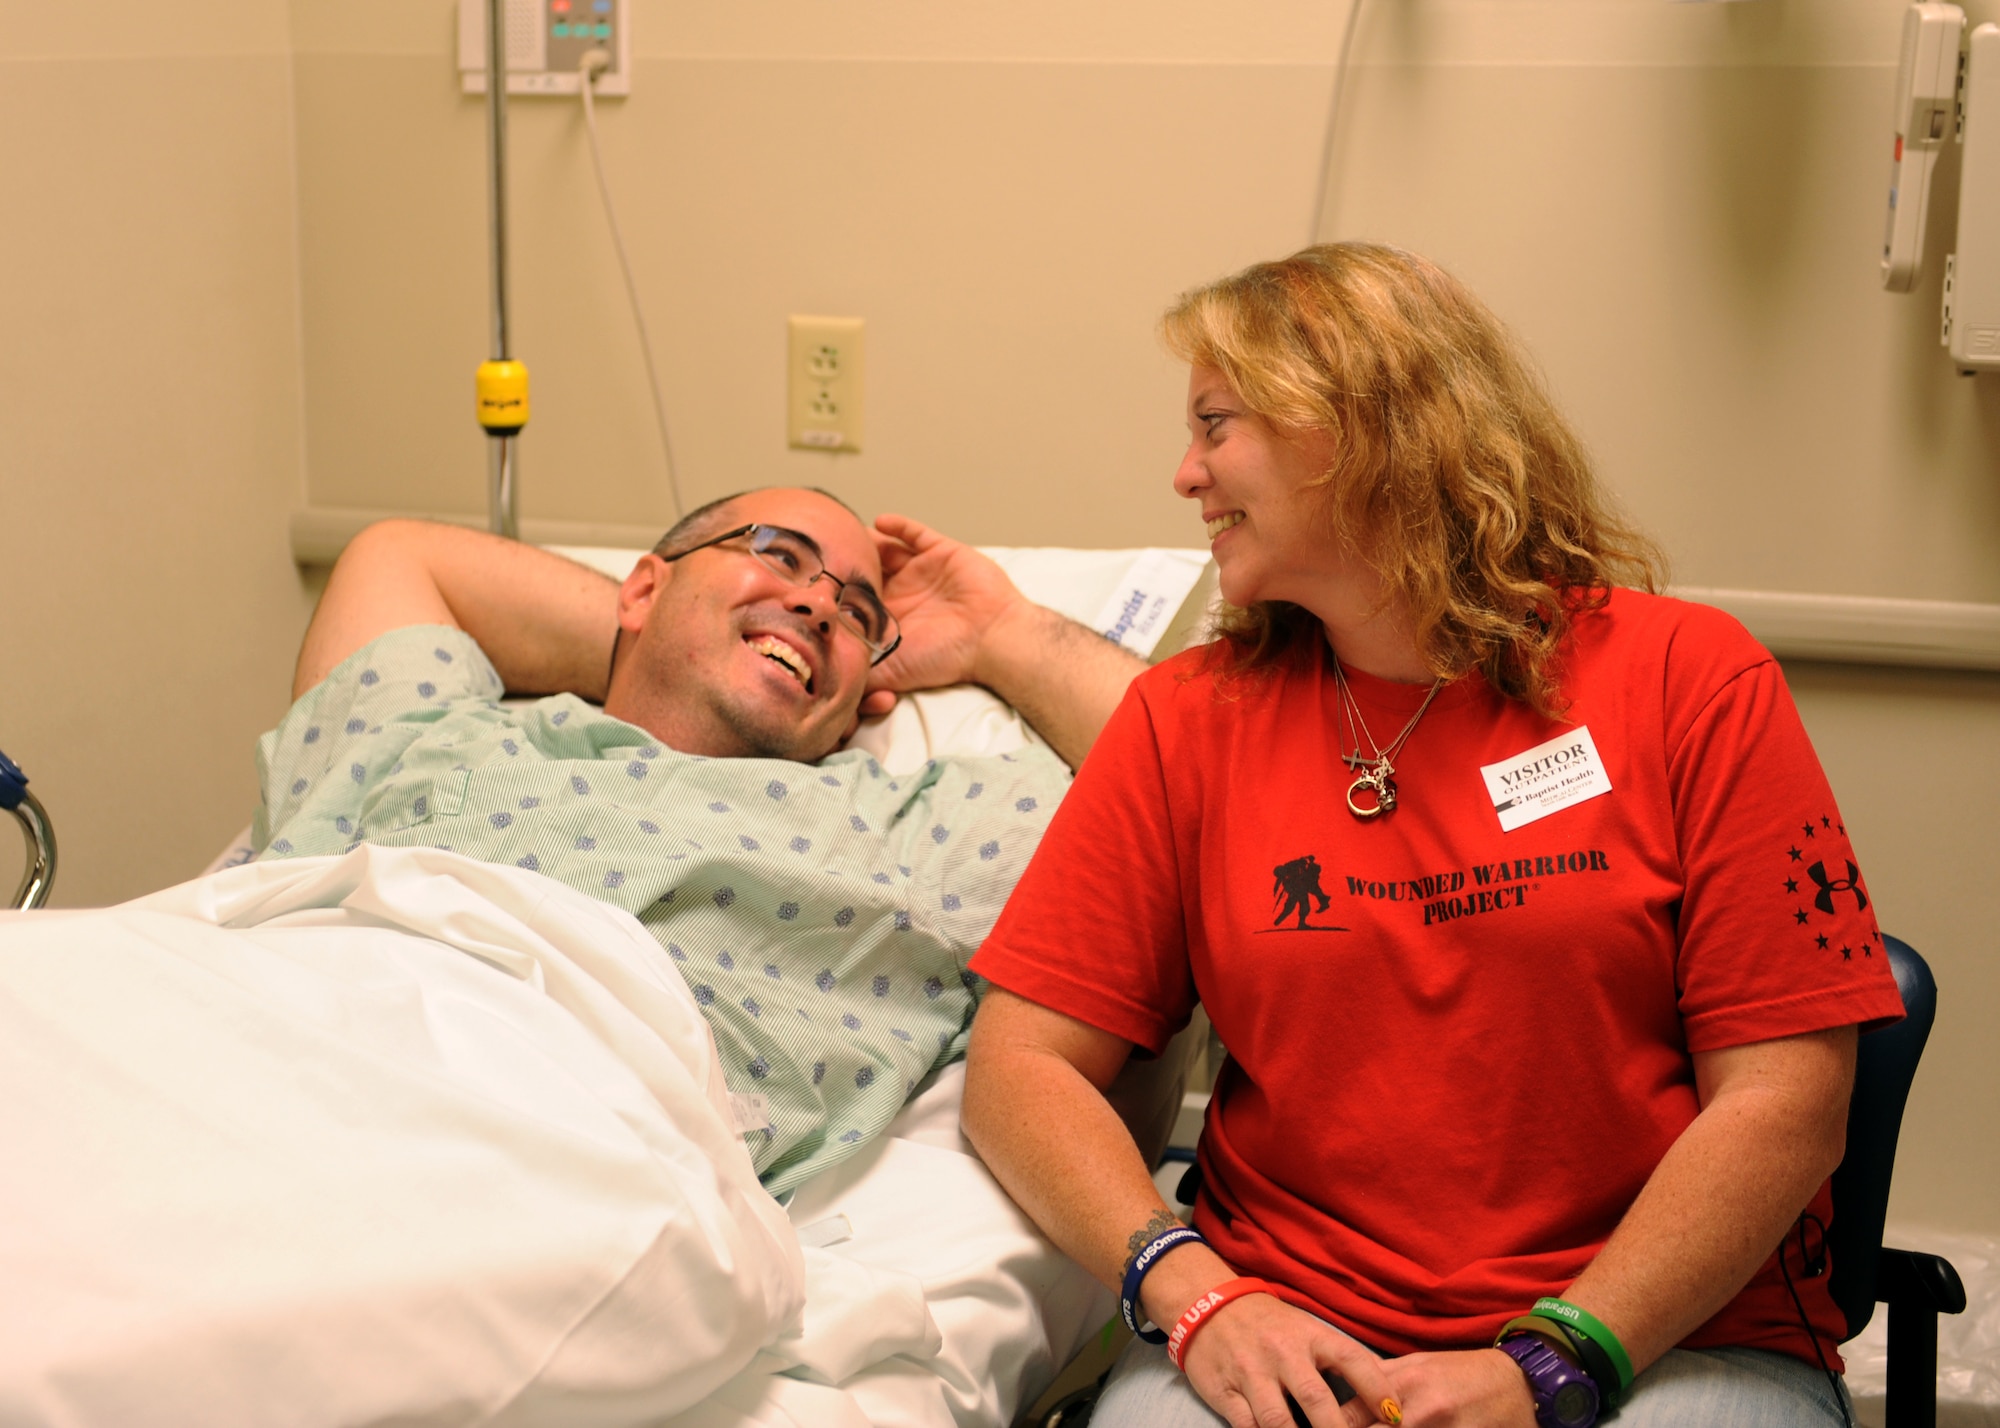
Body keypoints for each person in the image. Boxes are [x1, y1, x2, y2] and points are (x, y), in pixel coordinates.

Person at [960, 244, 1905, 1428]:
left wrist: (1556, 1361)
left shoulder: (1685, 681)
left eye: (1214, 425)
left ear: (1354, 427)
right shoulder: (1185, 724)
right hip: (1285, 1326)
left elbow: (1786, 1096)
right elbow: (1018, 1070)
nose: (1183, 476)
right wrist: (1189, 1291)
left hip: (1659, 1338)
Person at [259, 486, 1145, 1193]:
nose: (819, 603)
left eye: (860, 616)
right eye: (779, 555)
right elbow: (399, 554)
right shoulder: (431, 735)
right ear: (640, 587)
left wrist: (1002, 634)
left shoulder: (901, 835)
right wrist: (678, 634)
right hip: (272, 1042)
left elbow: (1197, 773)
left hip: (544, 1154)